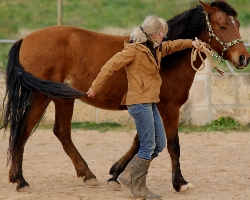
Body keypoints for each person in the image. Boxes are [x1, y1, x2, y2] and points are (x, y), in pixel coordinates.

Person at [87, 15, 205, 199]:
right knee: (148, 144)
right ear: (153, 34)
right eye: (161, 33)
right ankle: (139, 188)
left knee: (159, 144)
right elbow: (110, 66)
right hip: (138, 104)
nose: (164, 36)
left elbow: (174, 45)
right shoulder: (133, 50)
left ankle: (127, 175)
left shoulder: (156, 49)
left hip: (150, 103)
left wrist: (192, 43)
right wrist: (95, 87)